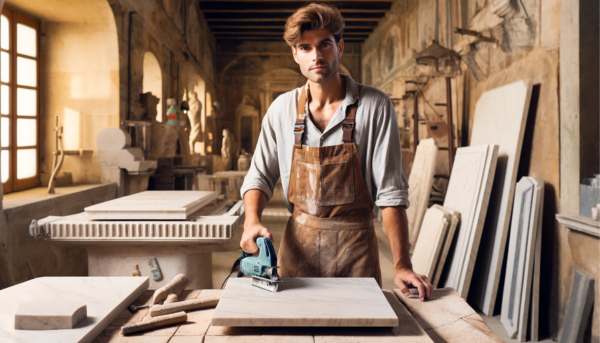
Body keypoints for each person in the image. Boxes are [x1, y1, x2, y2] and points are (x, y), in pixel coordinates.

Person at [239, 3, 432, 300]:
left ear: (339, 47)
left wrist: (402, 264)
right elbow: (259, 176)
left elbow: (391, 192)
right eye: (305, 47)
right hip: (297, 254)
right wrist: (252, 220)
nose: (316, 56)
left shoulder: (375, 106)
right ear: (295, 54)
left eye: (324, 45)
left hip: (356, 254)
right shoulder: (281, 109)